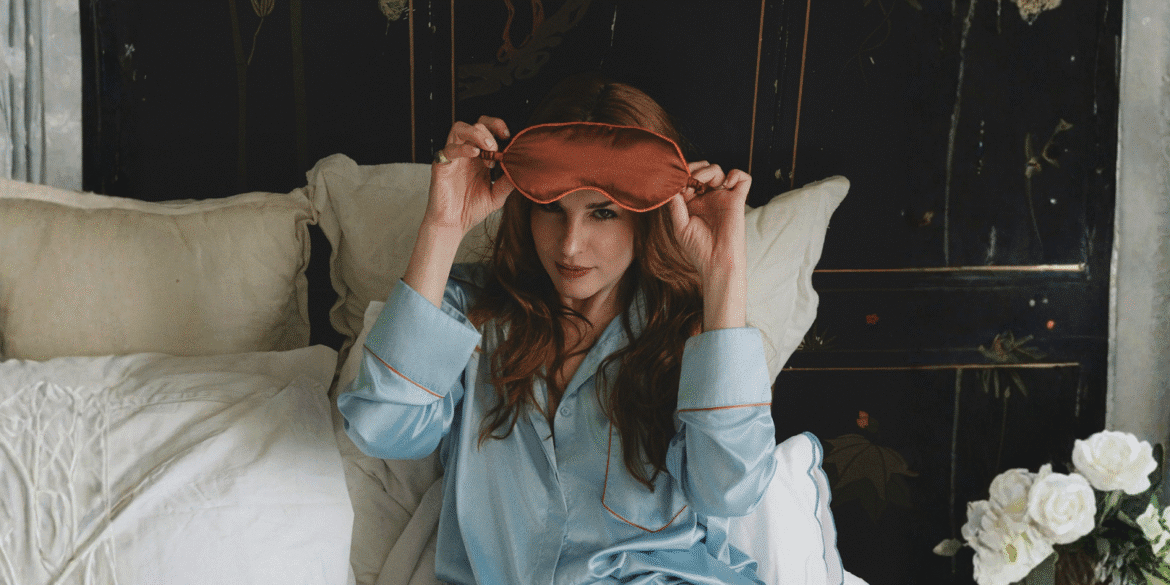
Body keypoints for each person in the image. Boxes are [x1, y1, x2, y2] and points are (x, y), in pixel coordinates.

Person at [338, 72, 777, 585]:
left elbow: (730, 492)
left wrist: (722, 271)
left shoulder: (692, 336)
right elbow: (382, 428)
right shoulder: (468, 313)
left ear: (644, 217)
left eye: (603, 214)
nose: (570, 246)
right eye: (551, 210)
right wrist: (443, 227)